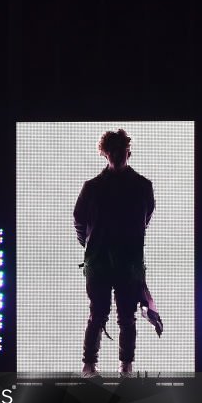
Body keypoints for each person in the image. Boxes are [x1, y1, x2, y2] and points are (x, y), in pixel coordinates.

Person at [73, 129, 156, 378]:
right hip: (115, 263)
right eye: (114, 151)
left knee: (115, 316)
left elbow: (79, 221)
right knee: (106, 314)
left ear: (127, 152)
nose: (118, 156)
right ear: (106, 153)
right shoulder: (140, 186)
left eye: (120, 151)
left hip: (113, 263)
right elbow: (145, 220)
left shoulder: (97, 187)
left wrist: (89, 244)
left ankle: (112, 367)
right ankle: (111, 368)